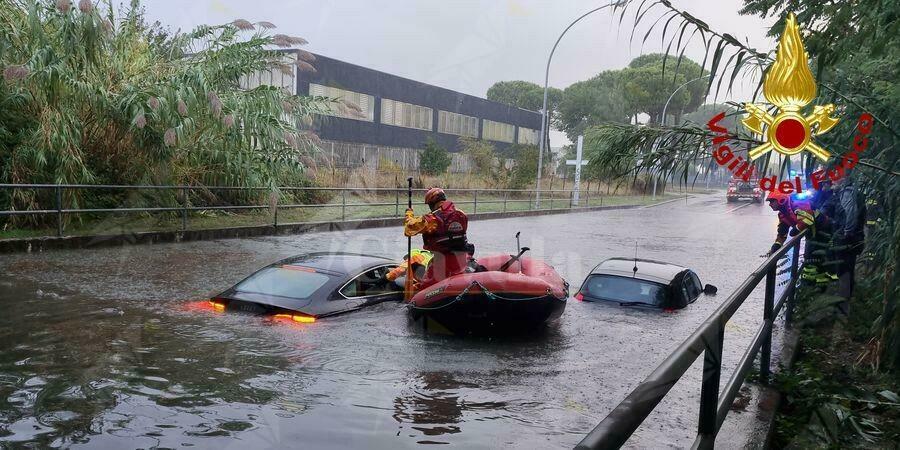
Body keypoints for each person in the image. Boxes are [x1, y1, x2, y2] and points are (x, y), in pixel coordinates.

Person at [403, 187, 469, 290]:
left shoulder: (432, 219)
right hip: (462, 259)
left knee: (424, 289)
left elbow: (409, 229)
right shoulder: (461, 214)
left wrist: (409, 215)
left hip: (441, 261)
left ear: (431, 203)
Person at [828, 175, 866, 314]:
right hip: (853, 239)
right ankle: (845, 301)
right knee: (847, 269)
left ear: (843, 180)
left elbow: (849, 215)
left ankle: (843, 306)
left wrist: (845, 233)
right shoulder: (852, 192)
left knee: (843, 270)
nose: (832, 181)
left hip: (848, 239)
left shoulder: (848, 193)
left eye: (835, 178)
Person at [765, 190, 815, 256]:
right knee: (809, 256)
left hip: (822, 229)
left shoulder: (796, 204)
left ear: (781, 199)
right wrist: (777, 244)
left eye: (772, 201)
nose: (770, 204)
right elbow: (782, 232)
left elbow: (808, 218)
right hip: (811, 234)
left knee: (813, 257)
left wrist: (797, 228)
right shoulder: (782, 215)